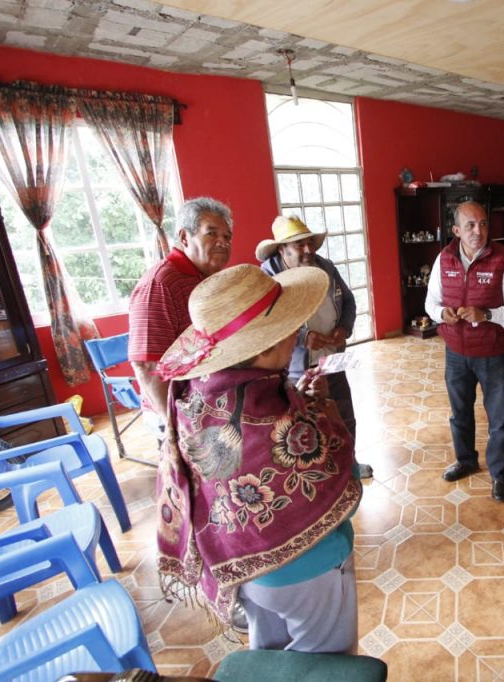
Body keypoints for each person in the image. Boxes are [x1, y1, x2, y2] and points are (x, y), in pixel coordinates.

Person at [156, 264, 362, 653]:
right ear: (263, 345)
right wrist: (325, 413)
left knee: (268, 655)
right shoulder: (276, 421)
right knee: (328, 666)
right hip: (308, 569)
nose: (297, 337)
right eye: (290, 329)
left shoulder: (193, 394)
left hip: (240, 566)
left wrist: (298, 400)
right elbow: (338, 484)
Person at [424, 201, 504, 502]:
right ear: (456, 230)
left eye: (483, 224)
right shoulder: (443, 259)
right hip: (455, 353)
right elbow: (431, 303)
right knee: (460, 414)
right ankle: (466, 461)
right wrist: (443, 314)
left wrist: (487, 315)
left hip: (493, 354)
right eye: (469, 225)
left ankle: (498, 473)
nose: (477, 231)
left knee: (498, 419)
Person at [256, 215, 372, 479]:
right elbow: (266, 324)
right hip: (293, 368)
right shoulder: (267, 278)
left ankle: (348, 465)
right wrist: (302, 337)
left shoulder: (326, 267)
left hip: (331, 359)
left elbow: (350, 302)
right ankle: (317, 474)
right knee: (303, 423)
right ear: (282, 249)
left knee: (343, 415)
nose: (309, 250)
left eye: (310, 243)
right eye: (299, 245)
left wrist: (343, 327)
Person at [128, 197, 233, 432]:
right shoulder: (161, 284)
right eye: (212, 234)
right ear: (185, 237)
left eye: (227, 237)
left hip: (207, 402)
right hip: (176, 411)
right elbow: (146, 364)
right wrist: (174, 425)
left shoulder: (208, 279)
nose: (222, 242)